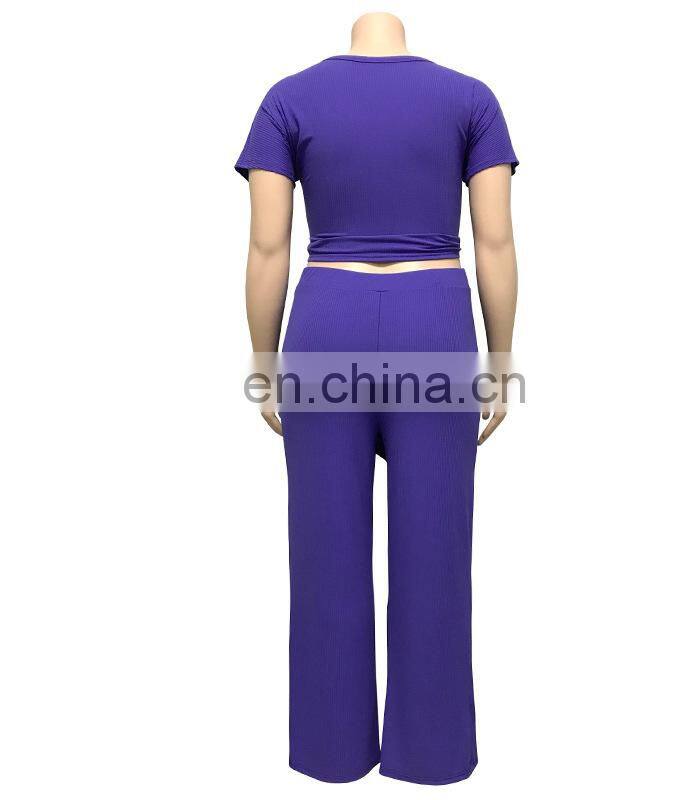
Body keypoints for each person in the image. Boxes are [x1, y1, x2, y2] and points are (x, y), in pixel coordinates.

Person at [235, 12, 518, 785]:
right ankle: (432, 757)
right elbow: (494, 241)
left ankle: (332, 755)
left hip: (328, 320)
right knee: (437, 552)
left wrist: (263, 360)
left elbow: (267, 246)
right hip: (434, 320)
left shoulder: (289, 99)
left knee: (323, 551)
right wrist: (500, 360)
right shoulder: (470, 99)